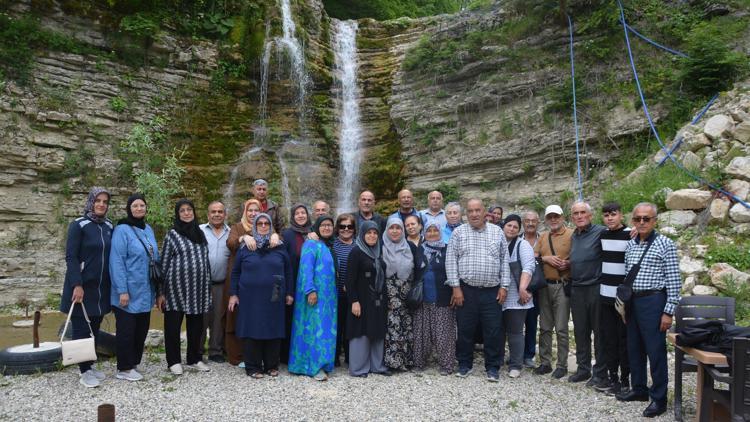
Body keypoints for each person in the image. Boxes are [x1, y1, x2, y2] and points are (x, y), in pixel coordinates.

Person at [616, 203, 681, 418]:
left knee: (655, 352)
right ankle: (640, 389)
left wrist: (668, 312)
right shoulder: (632, 244)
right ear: (632, 221)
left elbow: (674, 281)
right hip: (633, 302)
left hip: (654, 302)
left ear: (655, 221)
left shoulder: (665, 244)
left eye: (646, 219)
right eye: (637, 219)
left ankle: (659, 398)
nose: (642, 222)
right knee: (634, 348)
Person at [446, 199, 511, 382]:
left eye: (478, 210)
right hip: (466, 290)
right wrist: (455, 288)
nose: (474, 214)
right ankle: (464, 364)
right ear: (466, 214)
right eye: (470, 211)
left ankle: (492, 367)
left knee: (493, 330)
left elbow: (504, 261)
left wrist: (504, 286)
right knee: (465, 329)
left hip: (492, 291)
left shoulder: (497, 232)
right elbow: (451, 261)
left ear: (485, 213)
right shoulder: (458, 233)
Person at [228, 214, 294, 378]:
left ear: (271, 226)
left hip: (275, 293)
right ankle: (253, 367)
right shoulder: (246, 247)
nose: (263, 226)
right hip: (250, 295)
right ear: (255, 226)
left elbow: (288, 271)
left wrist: (289, 293)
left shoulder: (279, 246)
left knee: (274, 326)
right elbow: (235, 272)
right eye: (260, 224)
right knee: (252, 328)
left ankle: (271, 365)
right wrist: (233, 294)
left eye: (266, 223)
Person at [61, 187, 113, 388]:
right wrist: (77, 284)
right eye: (98, 201)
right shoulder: (79, 225)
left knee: (95, 328)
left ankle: (89, 365)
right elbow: (71, 257)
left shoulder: (108, 226)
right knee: (82, 328)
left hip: (101, 288)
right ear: (91, 202)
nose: (101, 204)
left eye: (105, 202)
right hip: (82, 287)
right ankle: (83, 372)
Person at [159, 199, 212, 375]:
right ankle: (173, 361)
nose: (187, 213)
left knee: (196, 327)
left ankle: (194, 358)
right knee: (173, 326)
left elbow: (205, 262)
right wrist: (161, 292)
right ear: (178, 214)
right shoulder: (172, 235)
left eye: (189, 209)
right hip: (176, 290)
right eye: (182, 211)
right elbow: (164, 264)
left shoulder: (200, 234)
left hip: (198, 289)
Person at [109, 193, 158, 382]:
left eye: (142, 206)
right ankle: (124, 367)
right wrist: (122, 290)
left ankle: (134, 363)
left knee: (141, 329)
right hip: (127, 291)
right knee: (126, 330)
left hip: (145, 290)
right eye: (135, 206)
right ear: (129, 209)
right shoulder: (122, 230)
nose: (139, 209)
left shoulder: (149, 229)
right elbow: (117, 261)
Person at [289, 216, 337, 381]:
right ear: (316, 227)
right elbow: (306, 268)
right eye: (323, 225)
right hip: (314, 295)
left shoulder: (326, 244)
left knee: (324, 330)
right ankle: (311, 367)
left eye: (329, 225)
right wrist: (310, 290)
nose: (326, 228)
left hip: (328, 298)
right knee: (313, 330)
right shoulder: (310, 244)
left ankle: (323, 363)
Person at [568, 201, 607, 386]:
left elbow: (618, 232)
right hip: (577, 289)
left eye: (583, 212)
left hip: (595, 288)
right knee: (580, 331)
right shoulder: (574, 235)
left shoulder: (600, 232)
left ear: (590, 215)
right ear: (572, 217)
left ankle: (600, 372)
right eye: (576, 213)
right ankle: (583, 369)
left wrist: (631, 230)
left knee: (599, 332)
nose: (579, 216)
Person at [533, 205, 573, 379]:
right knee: (545, 327)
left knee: (562, 328)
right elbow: (533, 257)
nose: (554, 220)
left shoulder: (572, 234)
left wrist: (569, 263)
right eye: (550, 217)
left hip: (562, 285)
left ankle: (562, 364)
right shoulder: (543, 237)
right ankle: (545, 362)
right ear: (546, 220)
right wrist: (545, 258)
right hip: (544, 286)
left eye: (556, 216)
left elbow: (580, 255)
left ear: (562, 217)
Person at [346, 221, 389, 377]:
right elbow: (349, 280)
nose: (372, 236)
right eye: (368, 233)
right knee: (361, 332)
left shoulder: (379, 252)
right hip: (362, 299)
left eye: (375, 233)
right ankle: (358, 368)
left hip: (378, 299)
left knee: (377, 330)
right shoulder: (356, 252)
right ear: (362, 234)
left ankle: (377, 366)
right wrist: (354, 301)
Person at [596, 202, 631, 395]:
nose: (610, 218)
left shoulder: (630, 235)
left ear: (621, 215)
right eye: (606, 215)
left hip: (622, 299)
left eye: (613, 214)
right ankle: (613, 378)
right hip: (605, 296)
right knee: (608, 339)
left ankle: (625, 380)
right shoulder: (602, 235)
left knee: (623, 340)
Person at [412, 223, 456, 376]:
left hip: (443, 298)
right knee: (421, 333)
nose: (432, 233)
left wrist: (454, 291)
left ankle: (446, 365)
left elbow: (454, 271)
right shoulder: (419, 249)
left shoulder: (448, 249)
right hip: (422, 299)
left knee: (444, 334)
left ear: (440, 232)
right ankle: (419, 363)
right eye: (428, 231)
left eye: (435, 230)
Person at [382, 216, 422, 371]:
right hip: (388, 294)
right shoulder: (381, 246)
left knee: (406, 326)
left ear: (402, 230)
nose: (395, 231)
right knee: (391, 326)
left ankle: (406, 360)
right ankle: (392, 362)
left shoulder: (410, 246)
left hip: (407, 295)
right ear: (386, 230)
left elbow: (418, 268)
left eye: (398, 228)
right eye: (391, 227)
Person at [498, 214, 535, 378]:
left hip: (517, 296)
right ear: (503, 226)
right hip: (498, 294)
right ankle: (497, 359)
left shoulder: (523, 245)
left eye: (515, 227)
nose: (511, 229)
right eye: (509, 225)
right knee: (497, 330)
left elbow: (528, 267)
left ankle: (515, 365)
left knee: (515, 331)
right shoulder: (497, 243)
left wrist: (522, 288)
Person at [281, 203, 313, 363]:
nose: (301, 216)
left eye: (303, 213)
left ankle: (305, 352)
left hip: (311, 284)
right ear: (293, 217)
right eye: (297, 213)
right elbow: (284, 262)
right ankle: (287, 355)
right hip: (293, 282)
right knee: (290, 318)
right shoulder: (287, 234)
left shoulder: (314, 233)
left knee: (308, 318)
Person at [199, 201, 230, 363]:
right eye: (213, 212)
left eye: (220, 212)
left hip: (221, 284)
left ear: (225, 214)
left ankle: (216, 351)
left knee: (218, 318)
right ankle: (197, 350)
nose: (217, 214)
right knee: (201, 317)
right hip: (201, 284)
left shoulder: (231, 233)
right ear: (208, 214)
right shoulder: (199, 231)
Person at [333, 213, 356, 367]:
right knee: (336, 327)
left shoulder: (359, 246)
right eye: (342, 226)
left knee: (351, 327)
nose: (346, 229)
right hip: (335, 295)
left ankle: (350, 358)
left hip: (353, 295)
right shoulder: (332, 245)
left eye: (349, 226)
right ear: (337, 228)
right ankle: (334, 358)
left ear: (354, 229)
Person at [521, 211, 541, 369]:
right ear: (523, 222)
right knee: (514, 323)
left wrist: (540, 257)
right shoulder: (516, 238)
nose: (530, 223)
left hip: (537, 287)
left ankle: (528, 355)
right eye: (527, 220)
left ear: (538, 222)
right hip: (517, 286)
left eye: (533, 220)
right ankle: (515, 353)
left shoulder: (545, 239)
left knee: (532, 322)